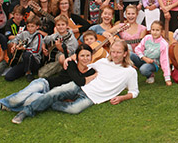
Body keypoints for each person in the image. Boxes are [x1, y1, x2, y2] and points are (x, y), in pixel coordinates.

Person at [10, 40, 139, 124]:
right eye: (113, 52)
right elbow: (83, 63)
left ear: (125, 53)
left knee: (74, 109)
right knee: (54, 93)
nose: (115, 55)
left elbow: (134, 92)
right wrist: (69, 59)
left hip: (92, 98)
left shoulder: (130, 72)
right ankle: (26, 112)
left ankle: (45, 102)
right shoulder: (103, 62)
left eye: (118, 52)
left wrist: (122, 98)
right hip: (79, 86)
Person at [0, 44, 97, 112]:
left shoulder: (91, 70)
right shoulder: (71, 64)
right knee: (18, 99)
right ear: (77, 56)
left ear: (92, 57)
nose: (85, 58)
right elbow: (80, 81)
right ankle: (0, 102)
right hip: (45, 84)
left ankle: (5, 107)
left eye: (88, 56)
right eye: (82, 55)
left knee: (30, 101)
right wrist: (94, 75)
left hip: (52, 94)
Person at [131, 20, 172, 85]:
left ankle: (150, 75)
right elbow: (137, 49)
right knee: (130, 54)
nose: (155, 32)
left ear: (161, 32)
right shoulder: (147, 38)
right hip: (143, 58)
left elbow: (164, 61)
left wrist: (167, 79)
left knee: (143, 69)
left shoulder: (164, 44)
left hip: (152, 63)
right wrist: (144, 58)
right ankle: (127, 74)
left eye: (157, 30)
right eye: (153, 30)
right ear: (150, 30)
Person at [5, 15, 44, 82]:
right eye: (28, 26)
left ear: (37, 27)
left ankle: (29, 73)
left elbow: (36, 50)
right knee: (8, 77)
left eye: (32, 26)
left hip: (34, 60)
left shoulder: (39, 36)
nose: (30, 28)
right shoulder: (24, 33)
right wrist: (14, 45)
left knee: (27, 54)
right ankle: (23, 70)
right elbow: (16, 38)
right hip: (23, 60)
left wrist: (24, 49)